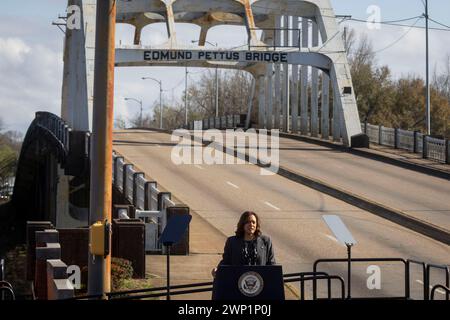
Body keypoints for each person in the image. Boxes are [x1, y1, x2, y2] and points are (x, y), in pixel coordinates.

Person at [212, 211, 276, 277]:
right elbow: (226, 262)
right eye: (248, 222)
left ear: (257, 225)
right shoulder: (232, 242)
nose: (251, 224)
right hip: (238, 281)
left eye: (253, 222)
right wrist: (217, 269)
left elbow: (272, 264)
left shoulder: (266, 241)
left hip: (260, 282)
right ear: (242, 224)